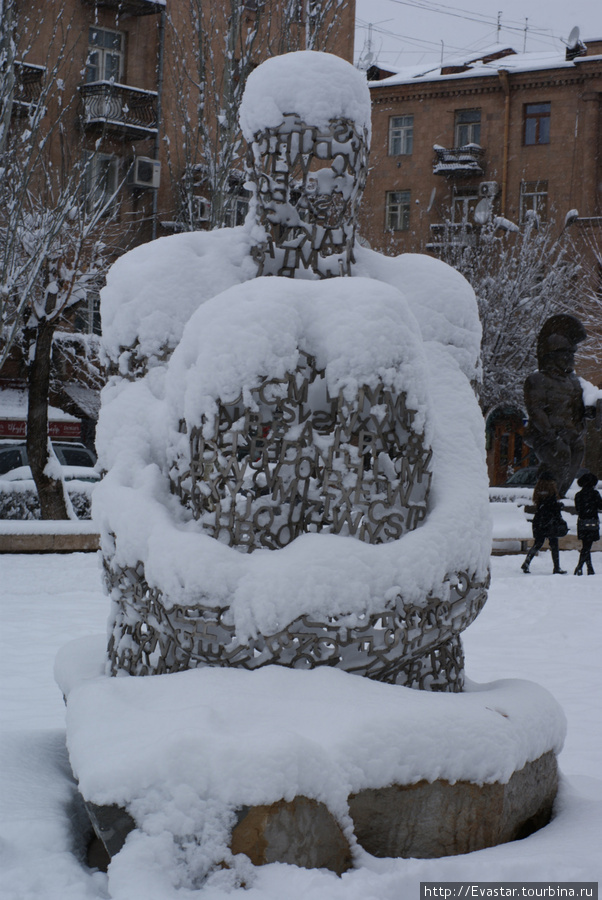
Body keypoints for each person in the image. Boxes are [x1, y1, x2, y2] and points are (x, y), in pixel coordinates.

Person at [521, 471, 567, 574]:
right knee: (554, 544)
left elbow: (542, 506)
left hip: (539, 521)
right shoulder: (551, 493)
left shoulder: (538, 491)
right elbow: (553, 508)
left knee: (537, 544)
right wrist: (559, 507)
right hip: (550, 522)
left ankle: (527, 562)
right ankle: (557, 567)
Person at [574, 472, 602, 575]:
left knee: (586, 545)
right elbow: (600, 506)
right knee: (587, 546)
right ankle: (580, 567)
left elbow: (578, 508)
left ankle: (589, 568)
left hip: (582, 522)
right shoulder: (595, 494)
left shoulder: (578, 495)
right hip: (592, 522)